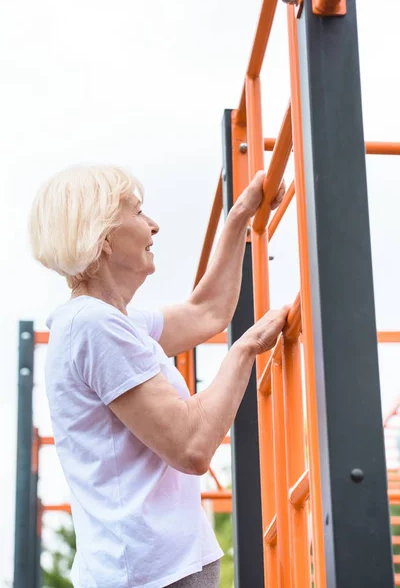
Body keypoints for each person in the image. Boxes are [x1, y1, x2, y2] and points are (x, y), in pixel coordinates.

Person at [29, 165, 289, 588]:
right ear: (104, 238)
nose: (153, 225)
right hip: (148, 575)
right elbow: (191, 445)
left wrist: (241, 213)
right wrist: (245, 350)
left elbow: (207, 312)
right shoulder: (94, 326)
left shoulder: (110, 322)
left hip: (161, 566)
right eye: (137, 212)